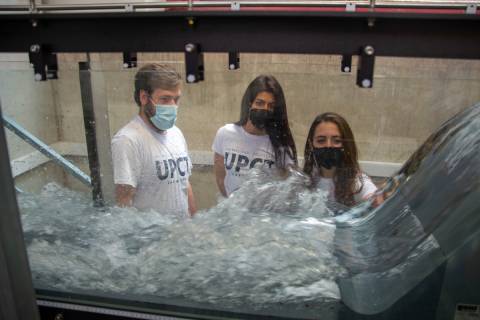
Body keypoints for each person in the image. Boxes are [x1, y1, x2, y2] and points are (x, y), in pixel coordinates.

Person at [111, 63, 196, 217]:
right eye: (165, 99)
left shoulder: (176, 133)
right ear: (144, 97)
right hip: (151, 238)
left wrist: (194, 222)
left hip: (180, 236)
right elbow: (124, 202)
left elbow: (185, 184)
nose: (173, 106)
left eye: (176, 99)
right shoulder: (127, 140)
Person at [212, 75, 297, 197]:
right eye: (259, 103)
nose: (264, 109)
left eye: (270, 106)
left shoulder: (280, 145)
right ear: (249, 103)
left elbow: (288, 188)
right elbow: (221, 179)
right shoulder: (225, 134)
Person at [303, 112, 381, 207]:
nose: (328, 145)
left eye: (336, 141)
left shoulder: (357, 183)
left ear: (346, 145)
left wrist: (376, 199)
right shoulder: (304, 180)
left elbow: (374, 198)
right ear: (311, 144)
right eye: (321, 140)